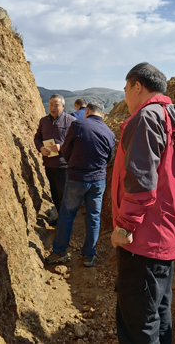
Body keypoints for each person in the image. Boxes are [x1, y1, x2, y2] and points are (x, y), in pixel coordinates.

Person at [110, 62, 175, 344]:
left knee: (138, 323)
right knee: (159, 314)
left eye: (126, 89)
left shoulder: (145, 118)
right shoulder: (168, 116)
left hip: (143, 240)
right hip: (163, 237)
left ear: (137, 86)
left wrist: (124, 227)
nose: (125, 96)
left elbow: (141, 182)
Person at [44, 101, 116, 267]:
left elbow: (65, 150)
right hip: (98, 181)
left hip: (77, 178)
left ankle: (60, 252)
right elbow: (109, 157)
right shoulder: (109, 132)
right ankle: (89, 255)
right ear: (102, 114)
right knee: (94, 217)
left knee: (67, 215)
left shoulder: (78, 125)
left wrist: (73, 164)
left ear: (87, 111)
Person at [34, 94, 76, 222]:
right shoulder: (43, 121)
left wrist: (61, 146)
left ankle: (66, 223)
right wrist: (41, 148)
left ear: (63, 106)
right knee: (54, 194)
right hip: (49, 164)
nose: (53, 108)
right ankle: (61, 218)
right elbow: (37, 138)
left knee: (64, 194)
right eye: (51, 104)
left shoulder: (70, 121)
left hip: (63, 165)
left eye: (56, 105)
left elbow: (76, 140)